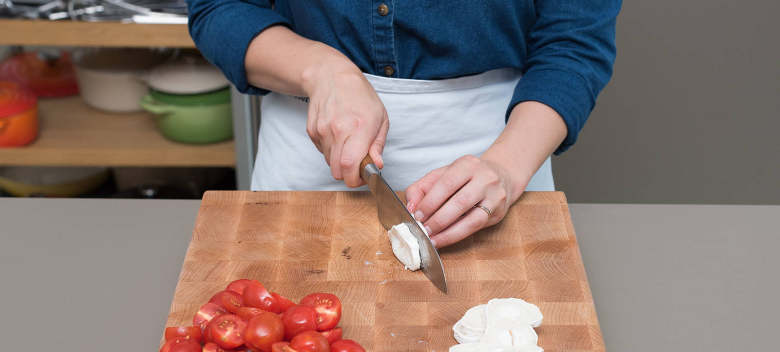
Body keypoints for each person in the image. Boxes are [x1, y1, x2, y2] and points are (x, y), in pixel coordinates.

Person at [187, 1, 620, 248]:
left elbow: (573, 45)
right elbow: (221, 6)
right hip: (310, 152)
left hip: (500, 155)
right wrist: (322, 71)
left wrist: (506, 168)